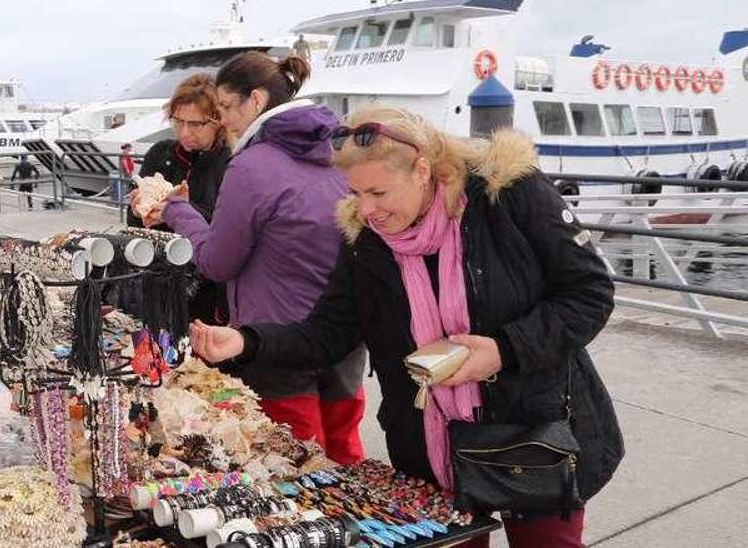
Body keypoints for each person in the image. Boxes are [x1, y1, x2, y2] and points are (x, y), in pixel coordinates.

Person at [189, 107, 625, 547]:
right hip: (432, 447)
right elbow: (328, 334)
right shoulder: (364, 238)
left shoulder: (509, 194)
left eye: (378, 192)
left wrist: (503, 349)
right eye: (356, 193)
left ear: (422, 170)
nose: (367, 209)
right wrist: (246, 341)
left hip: (532, 432)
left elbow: (589, 292)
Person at [146, 52, 366, 465]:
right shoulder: (343, 148)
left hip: (276, 340)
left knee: (292, 467)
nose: (223, 120)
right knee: (345, 459)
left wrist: (177, 211)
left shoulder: (252, 165)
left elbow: (216, 263)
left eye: (227, 107)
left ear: (257, 101)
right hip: (344, 336)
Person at [133, 73, 231, 324]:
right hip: (158, 278)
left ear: (218, 121)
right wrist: (137, 210)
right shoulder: (160, 153)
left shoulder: (230, 162)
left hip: (207, 291)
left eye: (195, 124)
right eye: (178, 122)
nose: (185, 132)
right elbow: (135, 231)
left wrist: (182, 211)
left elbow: (228, 232)